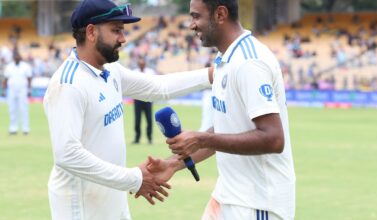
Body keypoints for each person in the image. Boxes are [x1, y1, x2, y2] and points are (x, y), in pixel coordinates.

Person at [43, 0, 212, 219]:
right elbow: (67, 155)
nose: (123, 39)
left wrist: (211, 75)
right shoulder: (68, 84)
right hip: (82, 211)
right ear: (91, 32)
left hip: (113, 204)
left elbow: (157, 87)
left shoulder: (110, 70)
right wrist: (134, 178)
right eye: (116, 31)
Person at [147, 0, 295, 219]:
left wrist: (201, 139)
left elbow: (273, 139)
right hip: (228, 195)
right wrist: (173, 163)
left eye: (196, 16)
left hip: (257, 203)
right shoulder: (226, 60)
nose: (191, 25)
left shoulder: (249, 61)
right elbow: (228, 128)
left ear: (220, 14)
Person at [3, 51, 32, 135]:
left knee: (24, 109)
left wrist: (29, 90)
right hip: (11, 89)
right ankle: (13, 128)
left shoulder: (25, 66)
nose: (16, 58)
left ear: (20, 57)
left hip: (22, 89)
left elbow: (29, 78)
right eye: (15, 56)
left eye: (18, 56)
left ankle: (25, 129)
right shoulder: (9, 67)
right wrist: (4, 90)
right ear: (13, 58)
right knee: (12, 109)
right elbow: (6, 79)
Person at [132, 56, 156, 144]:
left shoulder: (150, 72)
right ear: (138, 64)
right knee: (137, 119)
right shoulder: (134, 72)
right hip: (138, 99)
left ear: (145, 64)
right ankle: (137, 138)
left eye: (143, 63)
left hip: (148, 99)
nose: (141, 65)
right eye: (140, 64)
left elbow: (154, 84)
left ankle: (149, 138)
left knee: (149, 119)